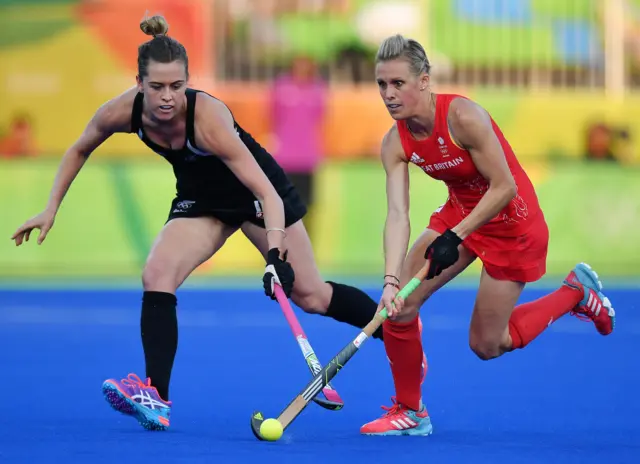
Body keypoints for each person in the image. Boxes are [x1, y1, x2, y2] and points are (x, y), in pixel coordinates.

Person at [9, 14, 399, 432]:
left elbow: (266, 193)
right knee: (156, 273)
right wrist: (51, 207)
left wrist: (274, 256)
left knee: (312, 295)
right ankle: (156, 397)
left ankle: (394, 334)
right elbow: (78, 148)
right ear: (139, 83)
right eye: (156, 86)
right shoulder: (124, 111)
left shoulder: (207, 118)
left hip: (256, 196)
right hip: (202, 199)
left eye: (177, 86)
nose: (166, 97)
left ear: (188, 81)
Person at [359, 34, 616, 437]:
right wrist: (391, 280)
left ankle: (575, 293)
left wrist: (454, 237)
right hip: (461, 212)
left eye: (398, 84)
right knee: (399, 307)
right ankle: (411, 412)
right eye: (381, 85)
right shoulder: (395, 141)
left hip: (512, 224)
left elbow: (505, 187)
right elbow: (397, 214)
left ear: (424, 81)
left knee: (487, 345)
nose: (388, 95)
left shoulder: (463, 117)